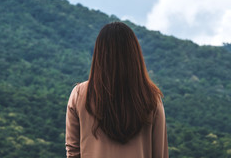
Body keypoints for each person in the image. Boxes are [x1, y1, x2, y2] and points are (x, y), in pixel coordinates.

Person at [66, 22, 168, 158]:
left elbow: (73, 153)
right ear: (134, 54)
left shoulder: (79, 95)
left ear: (99, 54)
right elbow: (160, 154)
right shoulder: (151, 98)